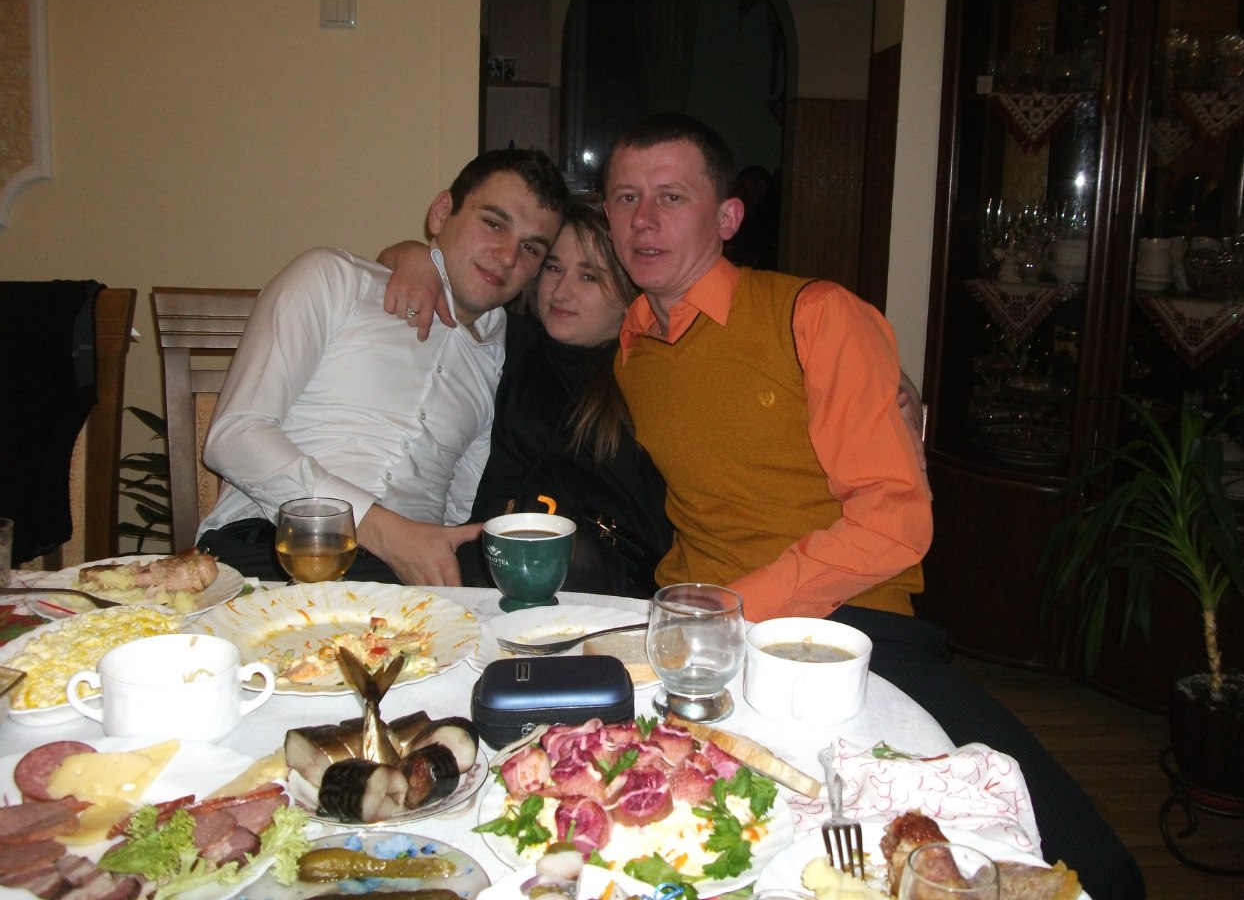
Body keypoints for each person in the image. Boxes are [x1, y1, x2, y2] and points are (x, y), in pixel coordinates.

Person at [597, 112, 1144, 900]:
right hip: (697, 637)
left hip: (850, 624)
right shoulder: (632, 345)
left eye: (671, 197)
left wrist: (736, 610)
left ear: (728, 217)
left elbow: (895, 521)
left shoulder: (815, 316)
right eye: (625, 197)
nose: (643, 220)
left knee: (1079, 864)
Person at [196, 148, 569, 585]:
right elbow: (234, 436)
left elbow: (458, 508)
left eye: (530, 248)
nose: (507, 256)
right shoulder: (334, 280)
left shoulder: (505, 364)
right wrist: (383, 531)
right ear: (441, 213)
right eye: (493, 223)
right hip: (270, 555)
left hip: (400, 589)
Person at [380, 197, 671, 598]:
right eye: (554, 268)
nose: (562, 291)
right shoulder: (505, 341)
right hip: (492, 555)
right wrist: (415, 256)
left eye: (589, 276)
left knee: (556, 563)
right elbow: (406, 268)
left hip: (605, 572)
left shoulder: (649, 375)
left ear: (628, 293)